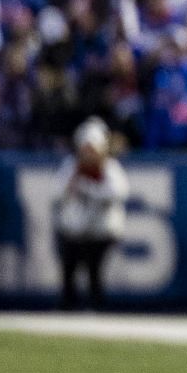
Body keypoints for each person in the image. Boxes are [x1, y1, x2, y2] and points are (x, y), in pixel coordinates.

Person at [53, 117, 128, 310]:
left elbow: (119, 192)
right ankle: (68, 304)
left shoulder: (109, 167)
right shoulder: (71, 166)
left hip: (101, 229)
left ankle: (97, 305)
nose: (88, 154)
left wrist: (88, 188)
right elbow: (57, 192)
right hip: (75, 229)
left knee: (95, 269)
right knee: (69, 268)